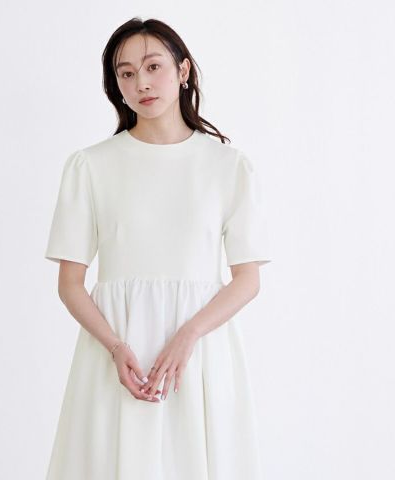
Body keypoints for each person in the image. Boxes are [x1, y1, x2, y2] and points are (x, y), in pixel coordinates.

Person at [44, 16, 271, 480]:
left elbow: (247, 279)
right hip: (115, 355)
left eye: (153, 67)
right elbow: (70, 284)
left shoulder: (228, 166)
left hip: (201, 354)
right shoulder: (90, 166)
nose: (141, 83)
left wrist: (188, 336)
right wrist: (115, 346)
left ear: (182, 70)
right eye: (126, 73)